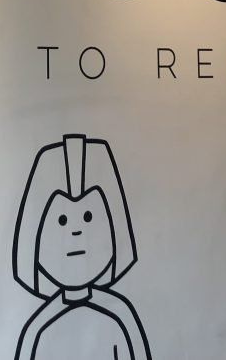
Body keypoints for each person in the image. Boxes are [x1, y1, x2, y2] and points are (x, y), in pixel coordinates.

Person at [12, 134, 152, 360]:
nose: (76, 231)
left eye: (88, 216)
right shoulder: (38, 329)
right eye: (62, 220)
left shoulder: (120, 316)